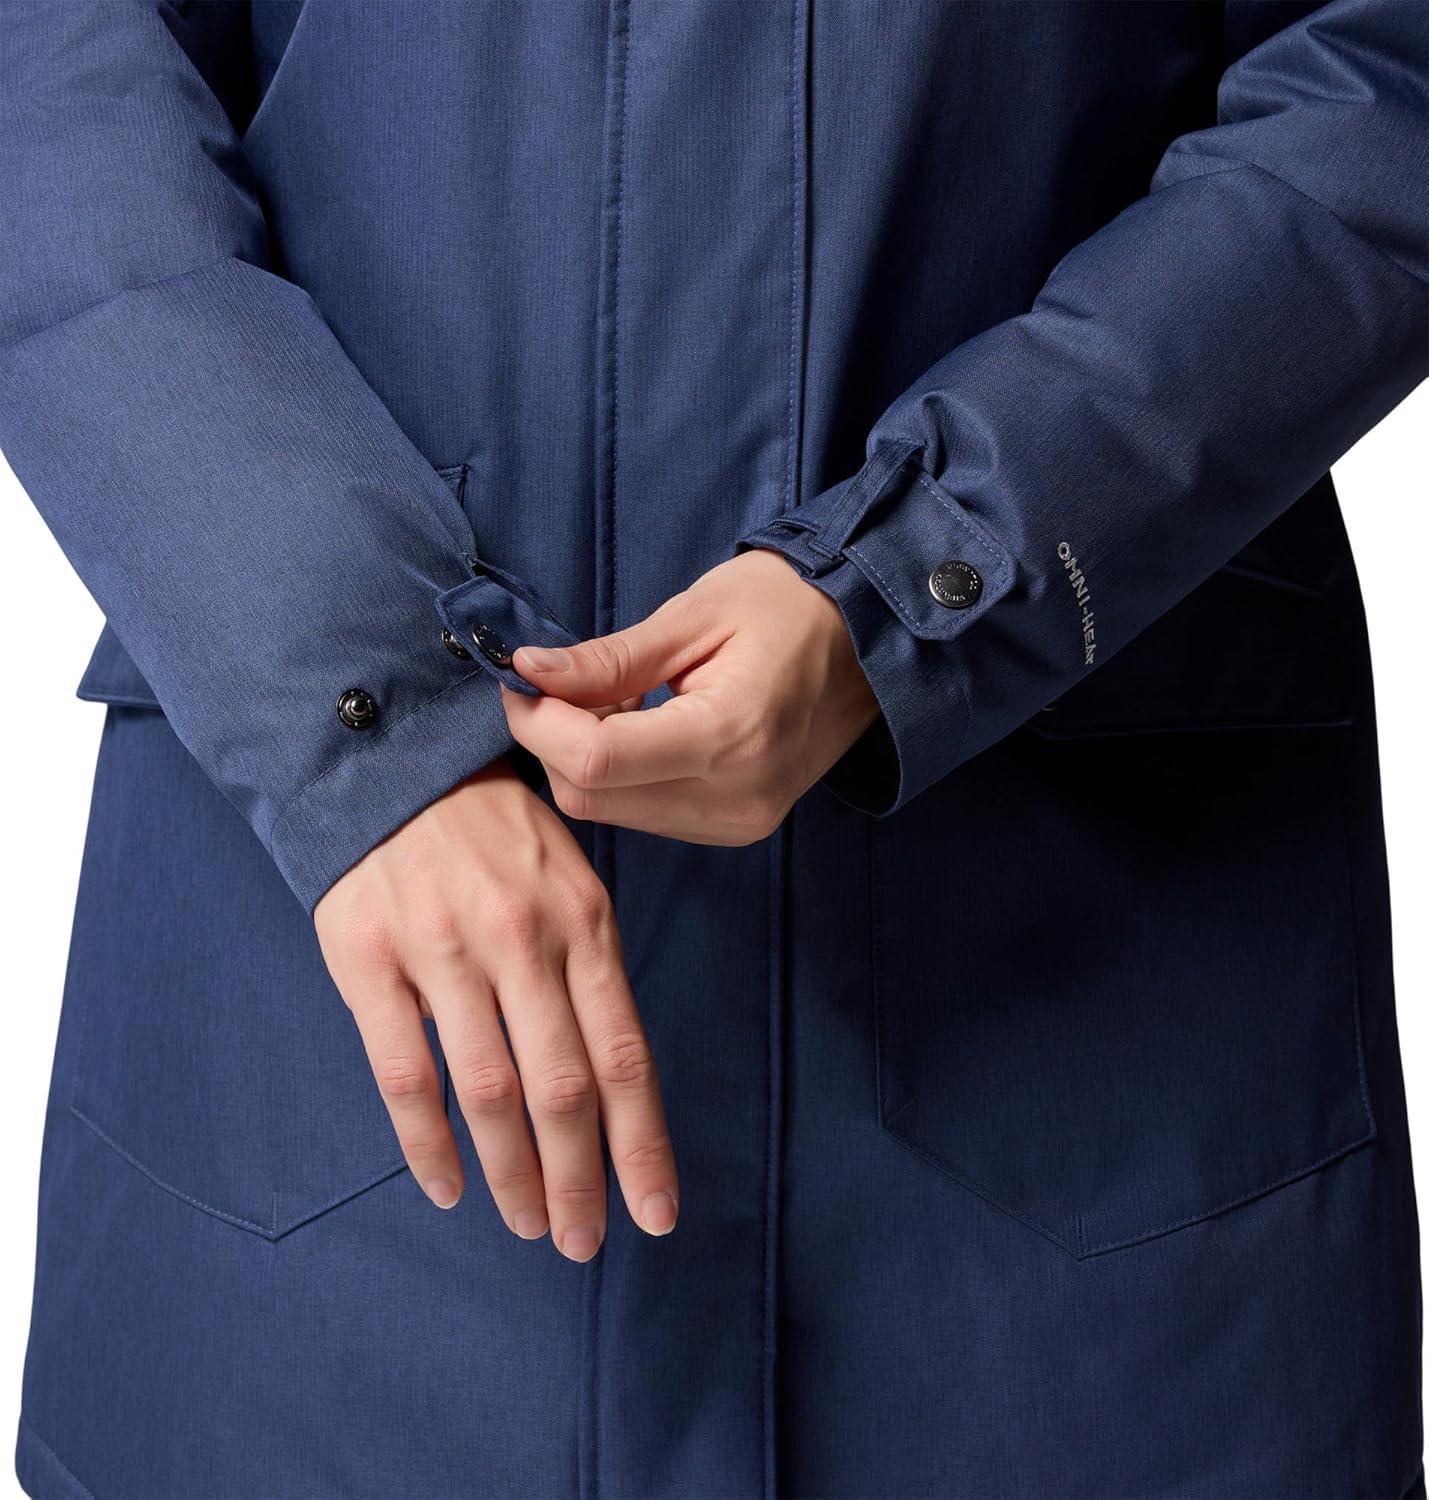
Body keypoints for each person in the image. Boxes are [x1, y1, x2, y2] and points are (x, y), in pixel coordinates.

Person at [2, 1, 1426, 1495]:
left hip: (1086, 1075)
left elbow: (1381, 71)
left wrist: (925, 573)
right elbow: (52, 70)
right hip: (321, 1081)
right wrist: (361, 694)